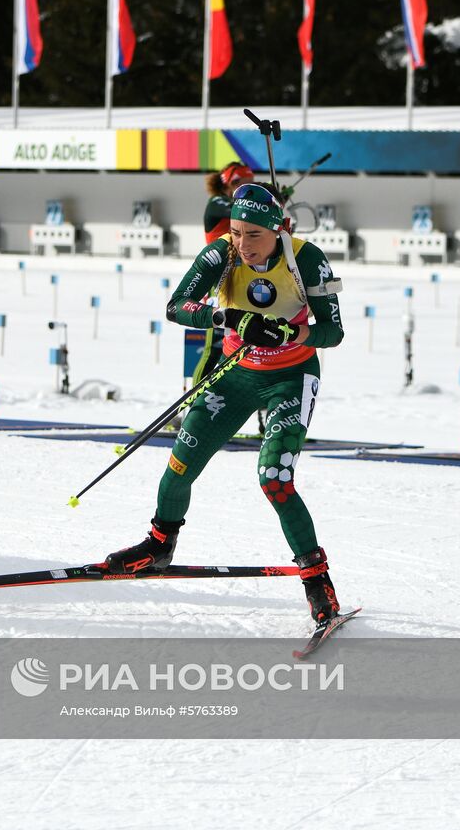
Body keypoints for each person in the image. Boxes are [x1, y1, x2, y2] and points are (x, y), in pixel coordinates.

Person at [106, 182, 346, 625]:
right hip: (236, 373)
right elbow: (177, 307)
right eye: (236, 232)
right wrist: (227, 317)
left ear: (280, 230)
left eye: (253, 235)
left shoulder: (306, 259)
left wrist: (292, 332)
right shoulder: (222, 253)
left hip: (290, 379)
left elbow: (333, 331)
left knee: (274, 478)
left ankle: (317, 581)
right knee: (180, 463)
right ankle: (159, 545)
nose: (242, 244)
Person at [192, 162, 257, 386]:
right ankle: (193, 404)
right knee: (215, 345)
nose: (245, 188)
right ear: (227, 185)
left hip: (243, 279)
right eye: (239, 184)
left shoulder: (243, 206)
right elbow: (240, 210)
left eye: (250, 183)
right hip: (218, 281)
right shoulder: (217, 202)